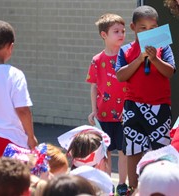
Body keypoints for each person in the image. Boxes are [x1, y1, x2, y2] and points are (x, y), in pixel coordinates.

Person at [115, 5, 176, 193]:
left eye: (152, 28)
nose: (148, 32)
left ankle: (161, 188)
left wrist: (155, 59)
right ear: (133, 28)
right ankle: (134, 188)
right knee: (133, 149)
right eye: (143, 28)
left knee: (161, 150)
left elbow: (170, 71)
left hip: (160, 107)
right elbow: (120, 75)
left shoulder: (163, 48)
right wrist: (140, 59)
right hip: (133, 107)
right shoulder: (125, 50)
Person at [0, 20, 38, 194]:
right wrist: (30, 136)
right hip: (8, 141)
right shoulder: (14, 74)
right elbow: (23, 110)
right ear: (10, 47)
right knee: (11, 186)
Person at [86, 13, 128, 195]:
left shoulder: (128, 56)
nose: (121, 34)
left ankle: (123, 185)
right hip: (103, 115)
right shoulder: (97, 60)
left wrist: (129, 108)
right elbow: (94, 87)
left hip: (124, 115)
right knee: (107, 153)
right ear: (104, 35)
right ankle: (109, 184)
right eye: (116, 31)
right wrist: (93, 111)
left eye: (123, 31)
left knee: (125, 151)